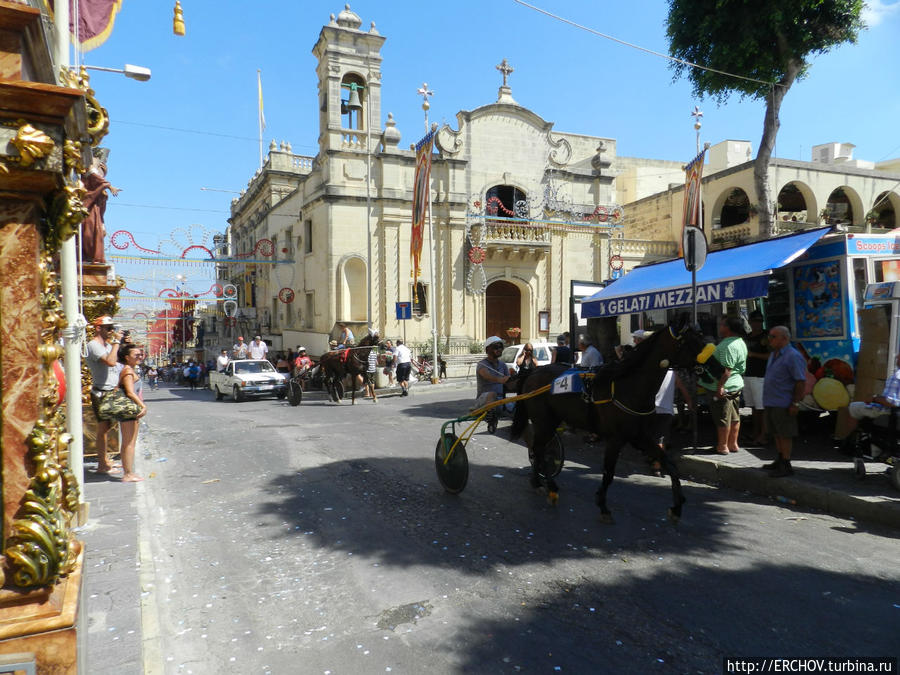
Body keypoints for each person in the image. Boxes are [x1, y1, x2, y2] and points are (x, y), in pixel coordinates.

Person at [760, 326, 808, 477]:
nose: (770, 339)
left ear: (784, 338)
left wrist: (795, 403)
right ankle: (780, 459)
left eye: (773, 336)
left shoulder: (792, 356)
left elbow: (800, 381)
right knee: (776, 432)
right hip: (771, 400)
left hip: (784, 402)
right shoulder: (774, 354)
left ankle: (786, 464)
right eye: (770, 336)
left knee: (785, 433)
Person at [700, 316, 748, 455]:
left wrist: (720, 387)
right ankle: (733, 444)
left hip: (724, 386)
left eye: (722, 324)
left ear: (728, 328)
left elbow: (726, 370)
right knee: (734, 416)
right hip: (735, 384)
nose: (720, 327)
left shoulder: (728, 345)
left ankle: (722, 446)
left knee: (722, 417)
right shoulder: (740, 342)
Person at [85, 315, 123, 474]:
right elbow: (110, 362)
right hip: (102, 391)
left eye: (112, 328)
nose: (111, 331)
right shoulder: (93, 345)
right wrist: (116, 343)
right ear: (98, 328)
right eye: (108, 328)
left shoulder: (107, 345)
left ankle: (105, 459)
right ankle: (102, 463)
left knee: (107, 428)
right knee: (103, 430)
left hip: (110, 390)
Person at [839, 352, 900, 438]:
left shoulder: (897, 376)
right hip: (893, 411)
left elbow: (892, 402)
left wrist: (874, 398)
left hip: (887, 412)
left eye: (899, 354)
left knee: (853, 407)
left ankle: (849, 440)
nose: (897, 356)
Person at [80, 152, 120, 263]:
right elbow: (94, 177)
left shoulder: (96, 173)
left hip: (95, 210)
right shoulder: (91, 167)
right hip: (89, 209)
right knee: (90, 233)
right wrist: (108, 186)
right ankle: (89, 256)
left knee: (96, 233)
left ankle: (92, 257)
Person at [116, 343, 146, 482]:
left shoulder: (130, 369)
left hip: (131, 410)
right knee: (129, 443)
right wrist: (142, 406)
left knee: (130, 442)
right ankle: (128, 473)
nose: (140, 357)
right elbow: (130, 392)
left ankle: (129, 471)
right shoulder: (127, 371)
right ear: (127, 357)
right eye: (136, 355)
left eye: (140, 354)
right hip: (129, 410)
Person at [744, 310, 770, 445]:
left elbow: (770, 356)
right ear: (750, 322)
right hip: (748, 375)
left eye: (759, 321)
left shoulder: (766, 336)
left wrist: (753, 354)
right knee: (753, 408)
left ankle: (763, 436)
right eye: (754, 321)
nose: (757, 324)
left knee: (762, 408)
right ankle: (756, 433)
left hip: (761, 376)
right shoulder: (747, 337)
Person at [474, 336, 511, 409]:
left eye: (501, 347)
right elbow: (486, 376)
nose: (499, 349)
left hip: (500, 399)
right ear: (488, 349)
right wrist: (500, 380)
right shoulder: (482, 364)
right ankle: (490, 414)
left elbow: (509, 382)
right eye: (496, 347)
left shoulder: (503, 365)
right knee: (492, 394)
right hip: (484, 399)